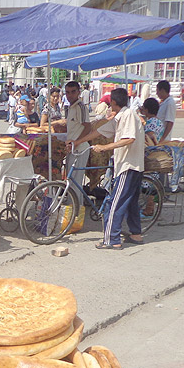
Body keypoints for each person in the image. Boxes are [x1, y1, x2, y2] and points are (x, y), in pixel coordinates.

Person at [74, 88, 145, 249]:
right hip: (131, 165)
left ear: (113, 102)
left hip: (128, 165)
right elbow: (99, 131)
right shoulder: (120, 117)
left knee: (115, 203)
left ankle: (112, 240)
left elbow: (129, 139)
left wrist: (105, 148)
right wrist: (79, 141)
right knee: (131, 201)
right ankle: (136, 234)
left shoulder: (128, 116)